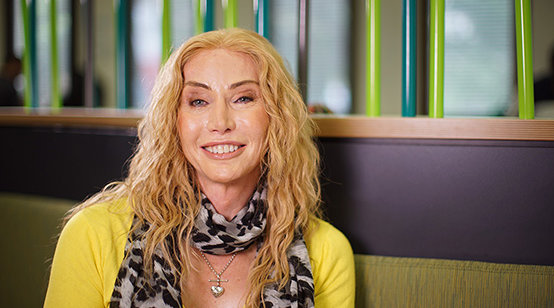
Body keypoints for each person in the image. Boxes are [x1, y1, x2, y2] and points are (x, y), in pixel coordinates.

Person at [44, 28, 355, 307]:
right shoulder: (94, 233)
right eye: (198, 101)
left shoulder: (327, 251)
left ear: (277, 118)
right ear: (173, 122)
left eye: (243, 98)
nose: (220, 123)